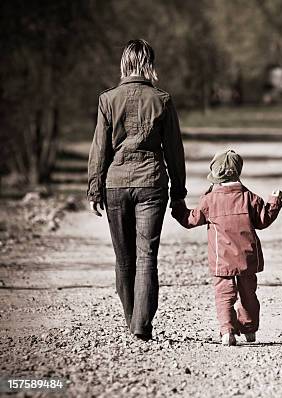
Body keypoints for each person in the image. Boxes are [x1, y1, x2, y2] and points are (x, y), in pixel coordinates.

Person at [87, 39, 187, 341]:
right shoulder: (162, 100)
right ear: (149, 64)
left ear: (124, 63)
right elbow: (174, 150)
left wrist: (95, 188)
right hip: (152, 184)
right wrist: (179, 191)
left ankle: (134, 321)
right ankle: (141, 326)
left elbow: (99, 149)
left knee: (124, 260)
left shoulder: (108, 100)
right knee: (147, 258)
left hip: (115, 185)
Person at [171, 149, 282, 346]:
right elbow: (263, 221)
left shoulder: (209, 200)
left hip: (221, 259)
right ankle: (249, 330)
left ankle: (227, 331)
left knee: (224, 295)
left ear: (215, 176)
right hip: (247, 258)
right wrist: (274, 202)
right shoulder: (251, 198)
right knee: (249, 294)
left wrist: (178, 205)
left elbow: (190, 220)